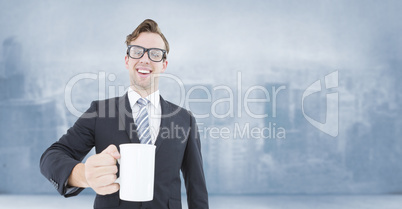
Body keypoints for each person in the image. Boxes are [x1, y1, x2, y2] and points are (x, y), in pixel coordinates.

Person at [40, 19, 209, 209]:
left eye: (155, 54)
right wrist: (84, 174)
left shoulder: (185, 119)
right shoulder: (99, 112)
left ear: (164, 64)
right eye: (137, 51)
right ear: (127, 60)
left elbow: (197, 189)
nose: (145, 59)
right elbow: (51, 156)